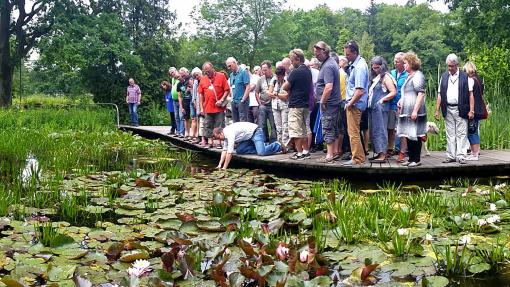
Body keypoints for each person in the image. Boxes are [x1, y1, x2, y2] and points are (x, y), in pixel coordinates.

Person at [434, 53, 475, 164]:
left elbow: (471, 95)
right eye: (448, 66)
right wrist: (437, 110)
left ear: (457, 65)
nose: (450, 68)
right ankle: (451, 155)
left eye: (452, 66)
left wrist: (471, 110)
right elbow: (440, 94)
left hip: (461, 108)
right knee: (450, 133)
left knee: (461, 133)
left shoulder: (465, 77)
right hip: (447, 108)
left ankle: (461, 156)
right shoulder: (444, 76)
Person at [397, 52, 427, 167]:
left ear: (411, 63)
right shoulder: (409, 76)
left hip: (415, 110)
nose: (404, 65)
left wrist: (415, 110)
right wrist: (401, 101)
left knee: (416, 133)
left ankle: (416, 159)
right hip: (407, 110)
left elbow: (420, 93)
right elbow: (407, 92)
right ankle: (410, 159)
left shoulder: (418, 75)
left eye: (405, 63)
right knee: (408, 133)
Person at [313, 41, 341, 163]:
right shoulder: (329, 63)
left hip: (329, 103)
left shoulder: (328, 66)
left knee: (328, 127)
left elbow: (328, 86)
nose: (316, 56)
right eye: (315, 54)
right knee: (334, 127)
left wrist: (323, 101)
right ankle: (334, 152)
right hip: (333, 102)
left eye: (318, 53)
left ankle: (329, 155)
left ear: (325, 52)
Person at [212, 122, 283, 169]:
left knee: (261, 152)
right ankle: (262, 146)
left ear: (221, 133)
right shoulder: (225, 136)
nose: (220, 140)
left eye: (218, 138)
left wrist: (224, 168)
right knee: (239, 150)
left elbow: (229, 153)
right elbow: (224, 150)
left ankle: (277, 145)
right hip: (247, 138)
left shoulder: (229, 133)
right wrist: (219, 165)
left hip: (256, 132)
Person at [282, 49, 312, 160]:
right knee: (303, 129)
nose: (291, 63)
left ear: (298, 59)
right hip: (305, 104)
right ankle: (306, 151)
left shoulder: (296, 72)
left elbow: (285, 87)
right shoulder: (308, 71)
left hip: (295, 105)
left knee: (295, 130)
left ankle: (299, 153)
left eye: (292, 60)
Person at [343, 41, 369, 166]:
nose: (346, 56)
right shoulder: (356, 64)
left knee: (353, 132)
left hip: (355, 104)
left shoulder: (359, 67)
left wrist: (349, 104)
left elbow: (359, 91)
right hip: (355, 103)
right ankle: (359, 156)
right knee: (354, 131)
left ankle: (357, 158)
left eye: (348, 54)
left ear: (355, 52)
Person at [367, 56, 396, 162]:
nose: (375, 70)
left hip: (381, 108)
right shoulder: (375, 77)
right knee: (374, 131)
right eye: (373, 68)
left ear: (382, 66)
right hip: (373, 109)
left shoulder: (386, 77)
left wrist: (382, 100)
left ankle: (383, 154)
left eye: (377, 67)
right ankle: (378, 152)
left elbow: (393, 92)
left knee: (380, 130)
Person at [199, 62, 230, 148]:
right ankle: (210, 142)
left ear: (213, 68)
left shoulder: (221, 76)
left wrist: (221, 100)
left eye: (208, 71)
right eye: (205, 72)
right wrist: (201, 108)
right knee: (208, 125)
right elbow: (201, 94)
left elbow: (227, 90)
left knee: (219, 125)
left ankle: (219, 143)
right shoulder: (203, 79)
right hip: (208, 107)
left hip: (219, 108)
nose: (207, 73)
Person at [463, 61, 485, 161]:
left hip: (474, 109)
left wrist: (471, 110)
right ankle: (474, 152)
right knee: (474, 130)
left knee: (472, 131)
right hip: (479, 108)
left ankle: (474, 154)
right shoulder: (479, 79)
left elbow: (470, 95)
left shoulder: (471, 80)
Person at [390, 52, 408, 162]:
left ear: (403, 62)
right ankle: (391, 149)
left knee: (402, 130)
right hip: (391, 105)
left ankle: (402, 151)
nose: (395, 63)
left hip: (403, 106)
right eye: (394, 61)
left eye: (397, 61)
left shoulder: (407, 74)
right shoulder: (391, 73)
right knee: (391, 129)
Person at [256, 60, 277, 143]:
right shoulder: (260, 79)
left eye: (265, 69)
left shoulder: (275, 78)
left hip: (273, 105)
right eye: (262, 70)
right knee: (262, 124)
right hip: (263, 105)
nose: (264, 71)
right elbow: (256, 92)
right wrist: (259, 103)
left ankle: (274, 141)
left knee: (273, 124)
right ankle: (264, 140)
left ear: (270, 68)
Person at [226, 57, 250, 122]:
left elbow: (248, 87)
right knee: (235, 121)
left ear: (234, 63)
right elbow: (231, 87)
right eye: (227, 67)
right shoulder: (231, 75)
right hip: (234, 101)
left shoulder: (243, 72)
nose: (229, 68)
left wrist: (243, 100)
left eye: (229, 66)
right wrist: (231, 99)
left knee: (243, 121)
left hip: (242, 101)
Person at [270, 66, 289, 147]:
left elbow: (286, 97)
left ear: (283, 75)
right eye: (276, 76)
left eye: (279, 76)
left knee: (285, 126)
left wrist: (277, 94)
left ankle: (286, 145)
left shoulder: (287, 81)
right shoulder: (274, 80)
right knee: (278, 127)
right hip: (275, 106)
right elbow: (269, 93)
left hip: (284, 106)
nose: (277, 77)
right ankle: (279, 145)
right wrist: (277, 95)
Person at [308, 57, 321, 153]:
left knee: (315, 123)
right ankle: (311, 144)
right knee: (309, 123)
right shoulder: (306, 73)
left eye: (311, 65)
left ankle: (317, 143)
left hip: (316, 101)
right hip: (308, 102)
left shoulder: (317, 73)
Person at [177, 67, 193, 140]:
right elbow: (179, 96)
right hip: (185, 101)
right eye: (181, 75)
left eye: (183, 75)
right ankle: (186, 133)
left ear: (187, 72)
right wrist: (181, 107)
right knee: (186, 118)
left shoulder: (190, 79)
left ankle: (192, 134)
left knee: (193, 118)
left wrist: (190, 88)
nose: (182, 76)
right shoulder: (179, 84)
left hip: (192, 100)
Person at [169, 67, 185, 137]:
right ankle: (178, 131)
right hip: (174, 100)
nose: (172, 74)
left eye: (173, 72)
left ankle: (182, 132)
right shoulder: (173, 79)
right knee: (176, 116)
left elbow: (183, 85)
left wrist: (180, 78)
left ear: (176, 71)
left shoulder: (180, 77)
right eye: (171, 73)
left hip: (180, 100)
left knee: (181, 116)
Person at [191, 67, 203, 143]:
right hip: (198, 102)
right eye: (194, 76)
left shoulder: (204, 79)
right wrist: (194, 101)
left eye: (197, 75)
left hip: (204, 102)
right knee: (198, 118)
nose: (196, 77)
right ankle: (199, 136)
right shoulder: (196, 82)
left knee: (204, 121)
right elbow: (194, 93)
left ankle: (204, 138)